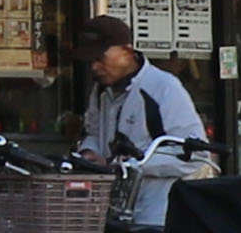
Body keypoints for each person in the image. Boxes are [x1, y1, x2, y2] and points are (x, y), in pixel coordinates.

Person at [72, 15, 206, 162]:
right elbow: (94, 132)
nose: (94, 67)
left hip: (157, 184)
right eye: (90, 60)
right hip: (115, 183)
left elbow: (195, 154)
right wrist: (89, 151)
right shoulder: (101, 89)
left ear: (127, 52)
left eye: (100, 59)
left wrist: (130, 163)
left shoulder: (163, 87)